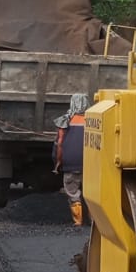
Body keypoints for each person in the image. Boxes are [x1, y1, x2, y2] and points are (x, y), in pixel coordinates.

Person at [54, 94, 89, 227]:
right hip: (90, 165)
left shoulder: (65, 121)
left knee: (73, 192)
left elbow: (60, 144)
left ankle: (78, 221)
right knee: (91, 194)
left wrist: (58, 162)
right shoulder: (94, 120)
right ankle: (94, 221)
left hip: (71, 164)